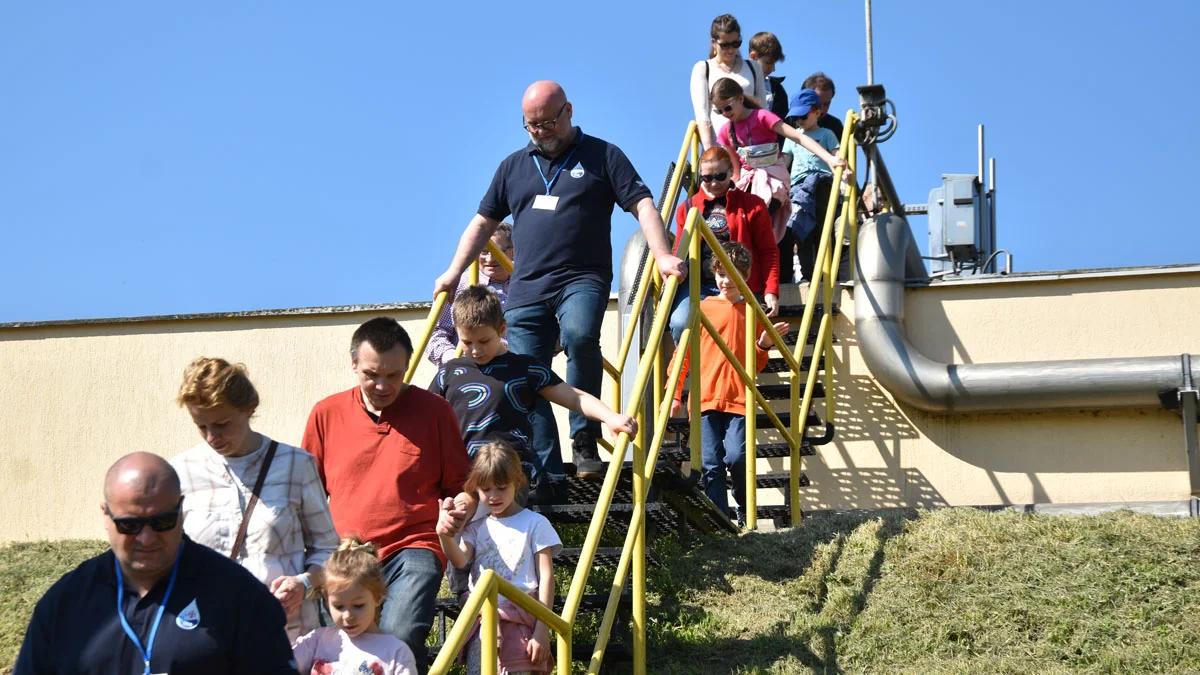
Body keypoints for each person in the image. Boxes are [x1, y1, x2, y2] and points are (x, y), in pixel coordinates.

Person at [433, 81, 685, 498]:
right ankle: (546, 465)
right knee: (526, 374)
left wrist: (661, 255)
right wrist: (452, 271)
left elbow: (642, 203)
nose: (540, 131)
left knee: (581, 335)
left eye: (548, 122)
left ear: (568, 111)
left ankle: (585, 440)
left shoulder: (603, 155)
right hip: (528, 285)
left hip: (581, 277)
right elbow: (482, 223)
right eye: (531, 126)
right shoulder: (513, 166)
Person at [14, 452, 300, 674]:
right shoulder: (66, 602)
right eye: (130, 525)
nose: (147, 538)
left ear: (181, 510)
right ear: (106, 515)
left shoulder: (240, 597)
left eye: (162, 522)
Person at [302, 317, 475, 669]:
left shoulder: (436, 411)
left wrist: (459, 509)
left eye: (393, 376)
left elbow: (463, 487)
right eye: (371, 374)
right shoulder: (325, 413)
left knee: (398, 635)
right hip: (344, 554)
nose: (382, 385)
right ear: (353, 364)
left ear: (407, 367)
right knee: (334, 649)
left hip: (414, 546)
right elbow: (307, 496)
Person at [171, 357, 339, 643]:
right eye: (201, 426)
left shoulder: (296, 464)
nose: (212, 437)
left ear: (249, 408)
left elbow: (328, 547)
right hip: (208, 635)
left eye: (222, 424)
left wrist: (303, 584)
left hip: (285, 637)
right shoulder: (180, 471)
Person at [429, 285, 638, 488]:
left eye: (484, 341)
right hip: (461, 478)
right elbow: (423, 413)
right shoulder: (450, 373)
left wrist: (610, 417)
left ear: (502, 329)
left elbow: (575, 397)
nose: (475, 350)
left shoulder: (523, 368)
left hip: (508, 480)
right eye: (467, 342)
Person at [669, 243, 789, 525]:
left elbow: (757, 364)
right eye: (721, 274)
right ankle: (720, 522)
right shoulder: (703, 308)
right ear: (714, 274)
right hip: (704, 399)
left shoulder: (753, 312)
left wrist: (763, 344)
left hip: (739, 399)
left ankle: (745, 513)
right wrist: (673, 393)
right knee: (710, 463)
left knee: (737, 458)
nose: (726, 281)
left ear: (745, 277)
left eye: (733, 274)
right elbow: (682, 355)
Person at [437, 442, 562, 674]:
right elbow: (461, 560)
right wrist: (444, 536)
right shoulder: (476, 527)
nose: (493, 497)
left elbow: (546, 578)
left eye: (501, 488)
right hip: (484, 622)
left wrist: (542, 631)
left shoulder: (535, 524)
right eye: (486, 490)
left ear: (517, 482)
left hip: (521, 623)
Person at [712, 77, 849, 251]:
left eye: (728, 107)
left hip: (772, 178)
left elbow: (799, 137)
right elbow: (736, 171)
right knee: (737, 217)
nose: (725, 113)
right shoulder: (726, 131)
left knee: (760, 213)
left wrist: (829, 158)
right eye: (719, 111)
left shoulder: (762, 117)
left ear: (740, 98)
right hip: (750, 181)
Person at [669, 146, 780, 343]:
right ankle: (695, 372)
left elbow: (768, 251)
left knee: (737, 333)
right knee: (680, 323)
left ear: (731, 173)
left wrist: (771, 290)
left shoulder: (752, 204)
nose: (713, 183)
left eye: (720, 176)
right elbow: (680, 252)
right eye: (707, 178)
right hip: (699, 286)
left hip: (739, 285)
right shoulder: (687, 208)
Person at [292, 537, 418, 675]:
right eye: (339, 606)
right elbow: (279, 665)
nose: (348, 616)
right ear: (327, 599)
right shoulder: (317, 641)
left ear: (377, 598)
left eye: (358, 605)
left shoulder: (396, 653)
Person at [427, 223, 515, 366]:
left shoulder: (524, 283)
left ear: (514, 251)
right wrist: (455, 361)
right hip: (471, 367)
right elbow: (435, 334)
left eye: (498, 251)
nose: (490, 258)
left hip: (514, 367)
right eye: (484, 251)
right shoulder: (459, 284)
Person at [783, 89, 845, 282]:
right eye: (796, 117)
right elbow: (785, 161)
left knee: (822, 231)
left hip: (823, 185)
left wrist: (845, 171)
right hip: (800, 188)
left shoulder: (826, 134)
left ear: (817, 112)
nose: (799, 121)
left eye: (803, 115)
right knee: (802, 232)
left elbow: (836, 156)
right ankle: (808, 275)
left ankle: (826, 275)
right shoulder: (792, 137)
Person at [689, 14, 766, 150]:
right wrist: (709, 150)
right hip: (721, 149)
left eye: (735, 44)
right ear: (714, 43)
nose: (731, 50)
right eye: (725, 45)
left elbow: (762, 109)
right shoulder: (703, 68)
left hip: (752, 147)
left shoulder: (754, 68)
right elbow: (702, 114)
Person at [802, 72, 844, 141]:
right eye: (817, 103)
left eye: (826, 104)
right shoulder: (788, 121)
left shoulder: (835, 126)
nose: (821, 109)